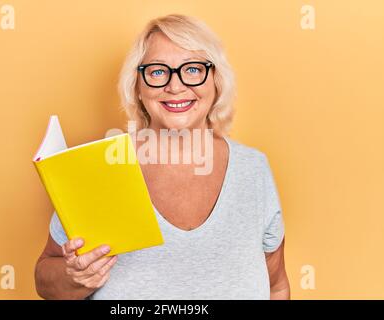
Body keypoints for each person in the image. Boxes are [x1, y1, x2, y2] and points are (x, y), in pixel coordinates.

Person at [34, 14, 290, 300]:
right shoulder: (101, 167)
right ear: (138, 87)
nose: (176, 87)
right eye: (157, 72)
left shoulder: (254, 169)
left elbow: (276, 285)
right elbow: (45, 278)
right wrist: (74, 277)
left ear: (216, 81)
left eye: (193, 69)